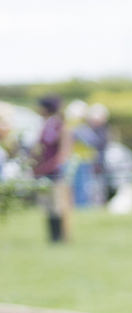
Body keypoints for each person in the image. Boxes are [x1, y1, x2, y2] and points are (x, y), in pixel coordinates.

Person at [32, 95, 73, 242]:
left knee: (58, 207)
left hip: (56, 172)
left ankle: (61, 238)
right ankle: (53, 238)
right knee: (48, 207)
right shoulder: (45, 125)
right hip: (44, 171)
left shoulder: (60, 126)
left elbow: (63, 152)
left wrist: (47, 167)